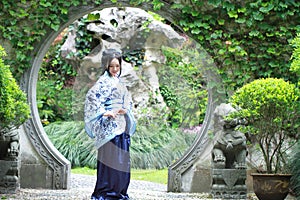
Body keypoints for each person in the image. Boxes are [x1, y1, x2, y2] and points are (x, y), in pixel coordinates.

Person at [84, 49, 136, 200]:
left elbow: (128, 100)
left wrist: (125, 109)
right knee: (110, 160)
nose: (114, 69)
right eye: (111, 66)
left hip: (121, 124)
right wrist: (103, 112)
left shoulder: (120, 83)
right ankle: (106, 192)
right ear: (106, 66)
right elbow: (91, 98)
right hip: (108, 127)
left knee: (122, 160)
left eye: (117, 66)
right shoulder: (102, 82)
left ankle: (120, 192)